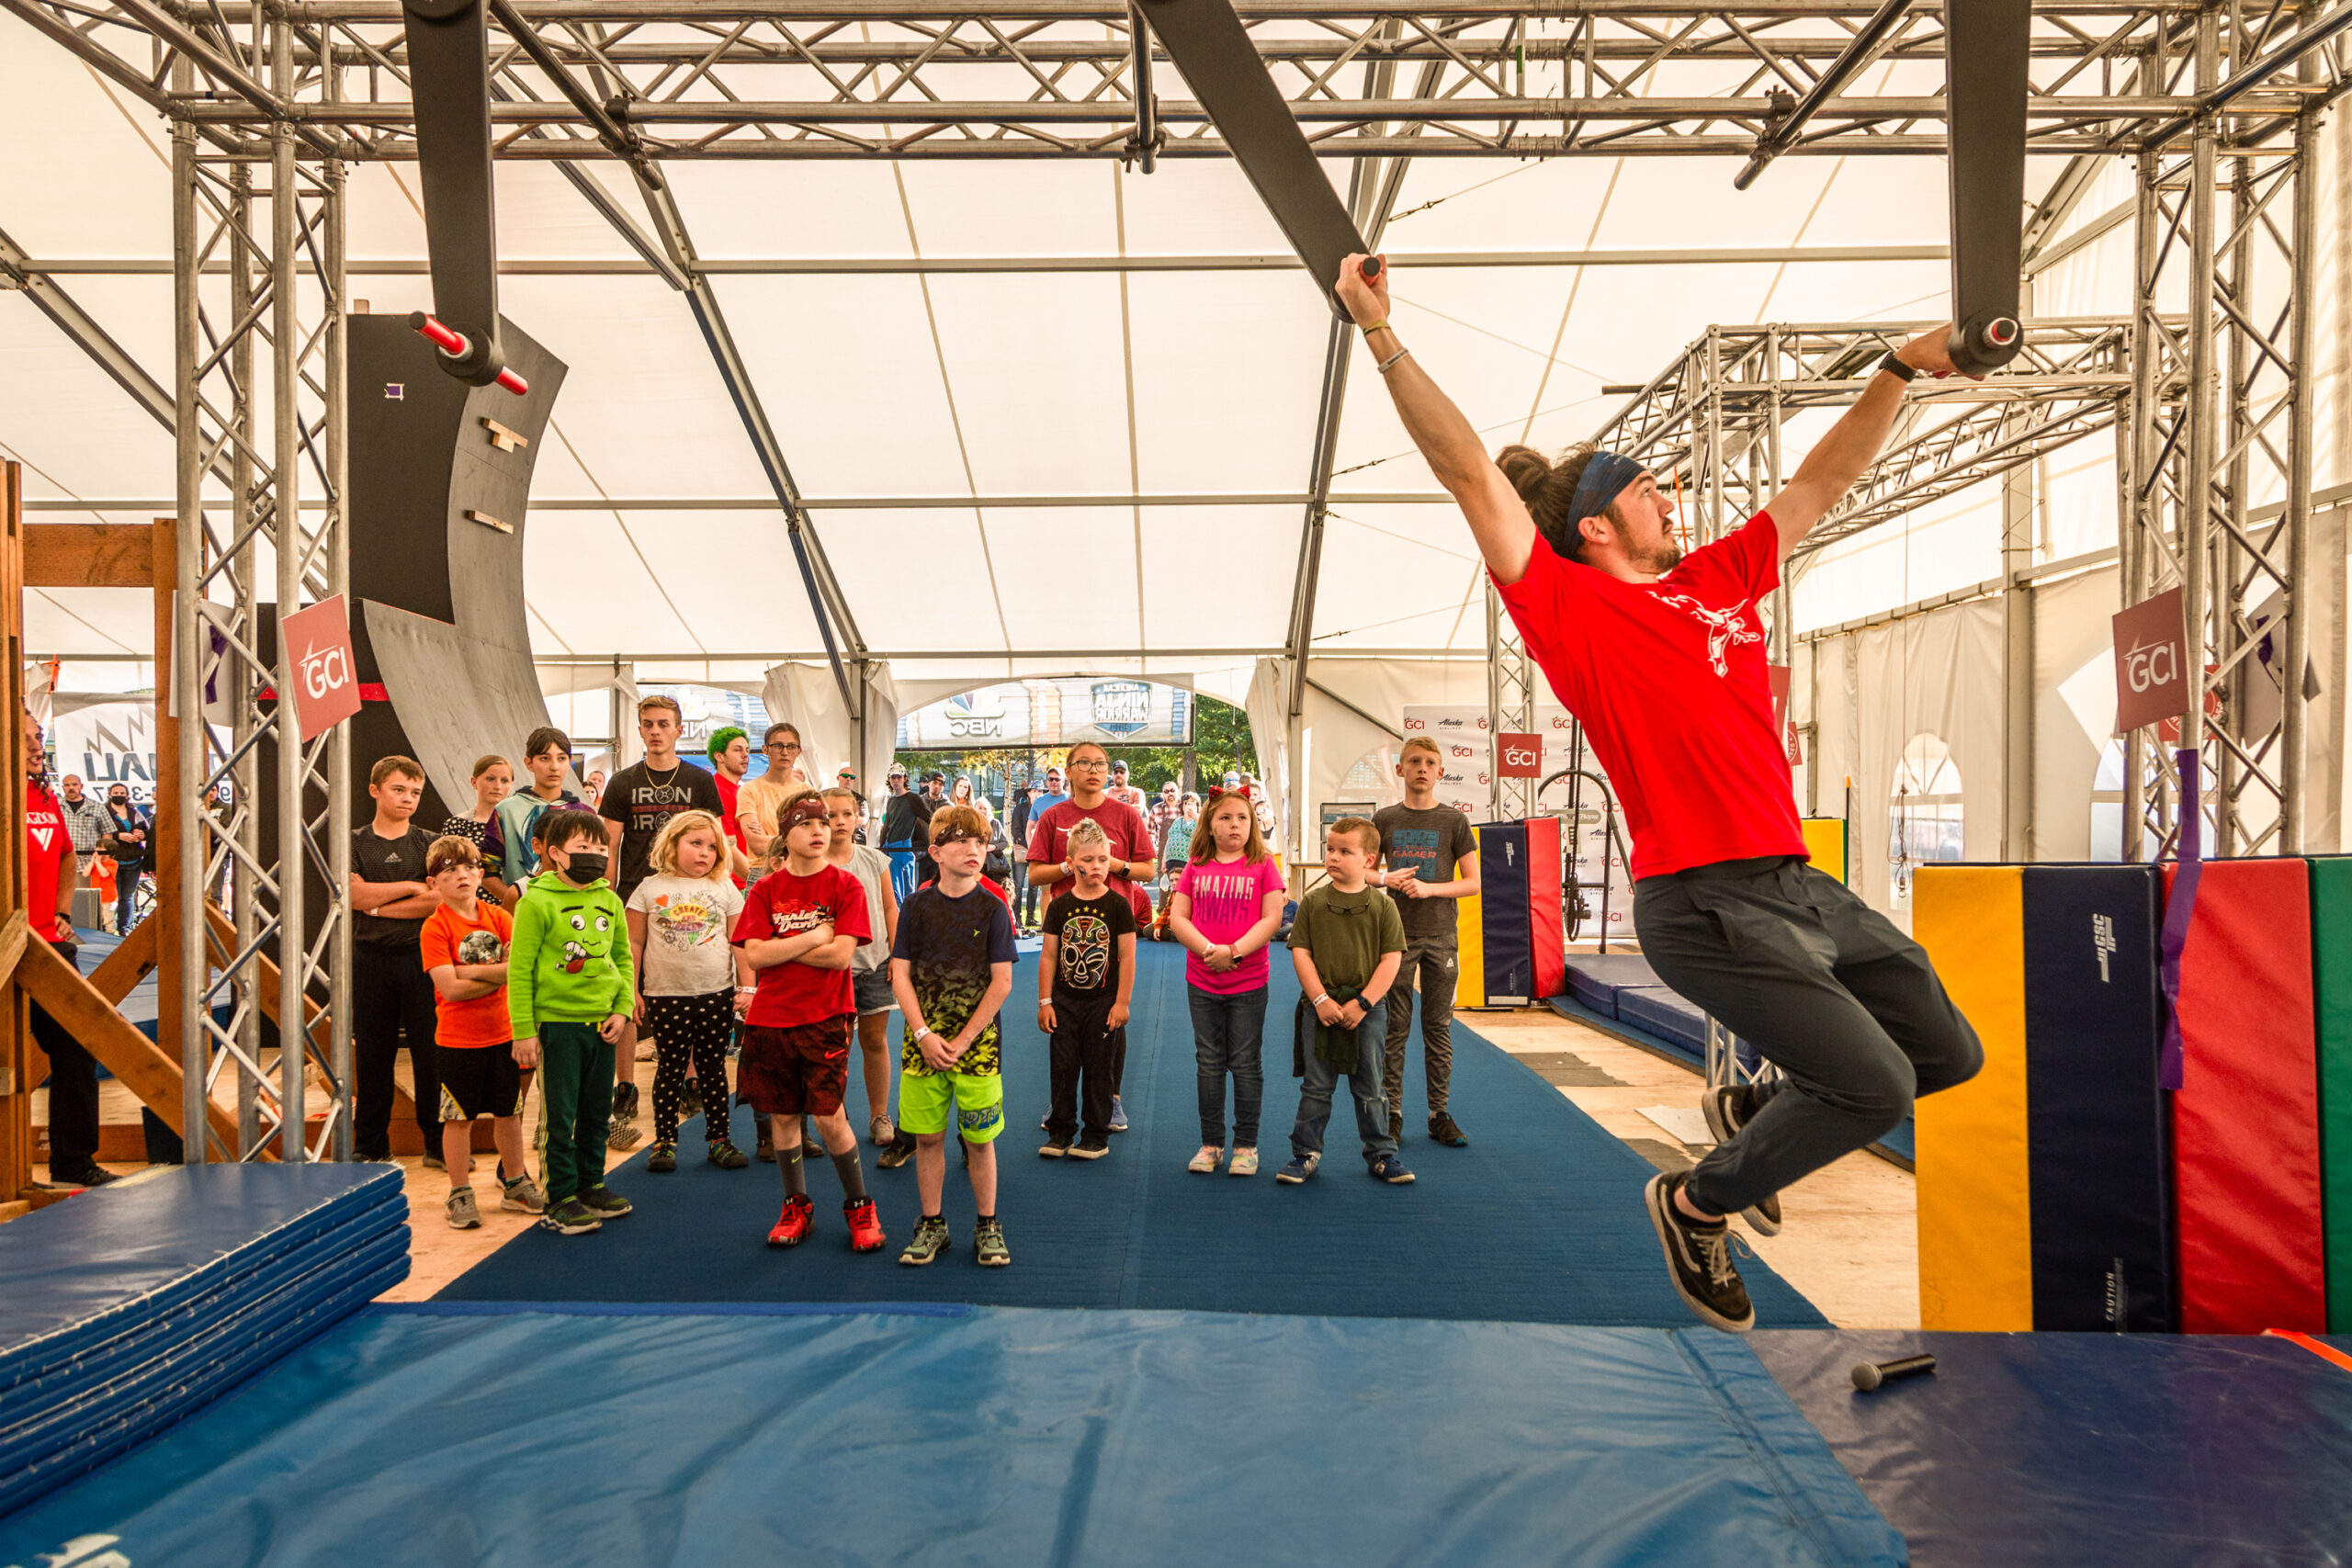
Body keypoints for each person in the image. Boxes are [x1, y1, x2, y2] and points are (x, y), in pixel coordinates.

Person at [1336, 251, 1984, 1332]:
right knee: (1870, 1083)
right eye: (1647, 490)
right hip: (1703, 899)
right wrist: (1379, 331)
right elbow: (1465, 474)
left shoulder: (1718, 578)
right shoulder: (1569, 613)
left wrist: (1899, 371)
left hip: (1795, 882)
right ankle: (1695, 1201)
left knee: (1943, 1052)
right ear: (1594, 526)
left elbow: (1821, 481)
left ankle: (1749, 1110)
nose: (1669, 498)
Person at [729, 792, 885, 1253]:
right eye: (806, 823)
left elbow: (841, 956)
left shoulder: (845, 885)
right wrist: (816, 932)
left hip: (824, 1017)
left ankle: (860, 1205)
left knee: (830, 1117)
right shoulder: (764, 889)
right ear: (785, 833)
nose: (819, 830)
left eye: (823, 822)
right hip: (772, 1018)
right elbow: (753, 954)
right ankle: (796, 1204)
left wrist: (785, 943)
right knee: (782, 1115)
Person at [600, 694, 733, 1144]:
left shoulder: (698, 780)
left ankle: (692, 1081)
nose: (655, 731)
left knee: (691, 987)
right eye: (648, 724)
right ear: (639, 730)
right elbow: (611, 846)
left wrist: (720, 882)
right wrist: (607, 894)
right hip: (636, 895)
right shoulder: (622, 782)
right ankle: (625, 1085)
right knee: (630, 988)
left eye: (664, 724)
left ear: (678, 730)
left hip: (691, 896)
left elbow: (714, 839)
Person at [890, 805, 1016, 1267]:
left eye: (981, 841)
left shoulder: (994, 906)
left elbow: (1001, 982)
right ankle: (932, 1223)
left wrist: (963, 1040)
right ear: (935, 851)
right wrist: (923, 1033)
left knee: (980, 1141)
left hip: (978, 1049)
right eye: (961, 840)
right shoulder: (916, 906)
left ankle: (987, 1223)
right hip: (921, 1047)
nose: (973, 849)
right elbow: (899, 975)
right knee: (926, 1139)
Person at [507, 808, 635, 1235]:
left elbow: (621, 960)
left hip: (602, 1024)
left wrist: (620, 1009)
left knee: (597, 1111)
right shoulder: (536, 901)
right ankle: (559, 1197)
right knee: (559, 1117)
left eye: (601, 848)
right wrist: (524, 1029)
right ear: (557, 854)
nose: (595, 855)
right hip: (556, 1026)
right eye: (584, 847)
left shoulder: (610, 899)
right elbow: (519, 970)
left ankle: (591, 1183)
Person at [1024, 742, 1154, 1133]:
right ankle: (1062, 1101)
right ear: (1070, 770)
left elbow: (1149, 870)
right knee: (1064, 1016)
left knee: (1112, 1013)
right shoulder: (1053, 817)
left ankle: (1110, 1098)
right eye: (1085, 763)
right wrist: (1069, 865)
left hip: (1114, 930)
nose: (1094, 770)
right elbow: (1033, 874)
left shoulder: (1126, 814)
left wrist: (1116, 865)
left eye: (1100, 763)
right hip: (1066, 932)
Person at [418, 835, 544, 1228]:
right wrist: (497, 975)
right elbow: (450, 989)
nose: (462, 875)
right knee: (459, 1119)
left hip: (503, 1034)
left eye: (470, 867)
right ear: (433, 882)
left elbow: (521, 970)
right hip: (458, 1040)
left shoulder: (501, 918)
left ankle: (516, 1181)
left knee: (510, 1113)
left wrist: (469, 970)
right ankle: (459, 1192)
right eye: (449, 869)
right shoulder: (435, 928)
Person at [1279, 817, 1410, 1187]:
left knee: (1370, 1086)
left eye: (1344, 851)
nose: (1333, 857)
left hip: (1367, 1010)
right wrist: (1319, 999)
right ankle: (1305, 1154)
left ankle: (1381, 1154)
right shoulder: (1313, 903)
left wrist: (1364, 1004)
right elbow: (1301, 953)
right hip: (1319, 1009)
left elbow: (1391, 961)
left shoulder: (1384, 908)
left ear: (1369, 860)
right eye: (1330, 849)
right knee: (1316, 1087)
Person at [1168, 789, 1286, 1178]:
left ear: (1252, 825)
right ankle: (1210, 1143)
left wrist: (1234, 951)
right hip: (1202, 981)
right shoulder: (1196, 865)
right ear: (1210, 824)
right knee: (1209, 1062)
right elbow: (1177, 919)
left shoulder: (1264, 865)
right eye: (1225, 818)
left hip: (1249, 982)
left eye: (1242, 818)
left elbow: (1271, 919)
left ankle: (1246, 1145)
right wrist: (1209, 951)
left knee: (1246, 1063)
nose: (1234, 824)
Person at [626, 810, 752, 1174]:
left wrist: (747, 986)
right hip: (664, 995)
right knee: (670, 1067)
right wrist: (632, 990)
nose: (704, 853)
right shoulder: (649, 888)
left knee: (713, 1068)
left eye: (712, 847)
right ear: (672, 844)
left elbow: (738, 942)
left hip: (716, 992)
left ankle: (719, 1139)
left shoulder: (724, 887)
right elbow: (633, 942)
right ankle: (665, 1141)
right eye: (695, 844)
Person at [1374, 737, 1482, 1150]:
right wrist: (1387, 879)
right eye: (1414, 761)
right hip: (1394, 940)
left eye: (1430, 762)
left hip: (1441, 940)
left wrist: (1429, 889)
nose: (1422, 768)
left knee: (1438, 1027)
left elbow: (1472, 883)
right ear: (1400, 770)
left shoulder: (1454, 822)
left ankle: (1439, 1113)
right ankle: (1393, 1113)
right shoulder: (1385, 819)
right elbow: (1360, 870)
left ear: (1440, 772)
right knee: (1394, 1029)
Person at [348, 757, 443, 1165]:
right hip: (371, 958)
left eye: (415, 792)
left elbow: (438, 898)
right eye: (399, 789)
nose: (408, 799)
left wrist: (377, 905)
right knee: (373, 1055)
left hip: (424, 960)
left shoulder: (429, 842)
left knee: (432, 1054)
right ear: (375, 790)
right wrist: (408, 886)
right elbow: (352, 897)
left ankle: (438, 1144)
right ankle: (370, 1144)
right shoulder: (353, 841)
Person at [28, 716, 110, 1188]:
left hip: (50, 945)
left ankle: (73, 1161)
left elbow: (64, 854)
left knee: (77, 1047)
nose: (37, 746)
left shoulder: (44, 796)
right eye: (26, 740)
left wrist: (62, 910)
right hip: (9, 946)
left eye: (38, 738)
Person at [1036, 819, 1136, 1161]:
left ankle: (1096, 1134)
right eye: (1090, 860)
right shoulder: (1060, 905)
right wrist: (1045, 1001)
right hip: (1064, 1002)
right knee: (1062, 1068)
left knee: (1098, 1069)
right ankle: (1061, 1130)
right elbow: (1049, 956)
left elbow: (1127, 957)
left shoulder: (1119, 906)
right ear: (1072, 862)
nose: (1097, 867)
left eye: (1103, 860)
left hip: (1103, 1002)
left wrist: (1122, 1003)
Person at [822, 785, 904, 1162]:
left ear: (859, 817)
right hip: (831, 971)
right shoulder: (814, 862)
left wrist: (897, 955)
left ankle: (879, 1115)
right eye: (830, 815)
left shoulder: (875, 860)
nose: (839, 821)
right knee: (835, 1046)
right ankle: (835, 1116)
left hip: (876, 964)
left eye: (846, 813)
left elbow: (890, 909)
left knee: (875, 1041)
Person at [485, 727, 580, 908]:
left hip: (571, 912)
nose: (554, 766)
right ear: (529, 763)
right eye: (545, 758)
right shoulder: (506, 811)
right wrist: (518, 900)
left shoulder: (582, 814)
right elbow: (487, 873)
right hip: (521, 912)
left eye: (561, 758)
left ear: (569, 762)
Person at [439, 754, 513, 906]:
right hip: (470, 907)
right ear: (474, 782)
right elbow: (447, 871)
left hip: (511, 907)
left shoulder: (517, 825)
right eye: (490, 779)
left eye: (504, 780)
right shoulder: (457, 824)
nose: (498, 786)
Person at [736, 722, 809, 875]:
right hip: (761, 873)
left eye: (791, 746)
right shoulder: (749, 791)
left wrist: (771, 839)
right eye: (777, 746)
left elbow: (815, 841)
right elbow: (757, 845)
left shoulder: (808, 793)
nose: (784, 752)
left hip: (800, 872)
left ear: (798, 751)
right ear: (765, 749)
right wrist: (799, 838)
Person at [877, 767, 939, 904]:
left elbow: (930, 817)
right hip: (890, 848)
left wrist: (943, 833)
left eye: (899, 777)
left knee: (905, 891)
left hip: (903, 848)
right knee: (892, 891)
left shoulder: (912, 799)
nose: (896, 780)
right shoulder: (892, 801)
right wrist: (881, 848)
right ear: (889, 779)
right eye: (893, 777)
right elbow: (887, 825)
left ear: (905, 778)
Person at [1017, 766, 1067, 928]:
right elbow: (1030, 827)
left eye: (1057, 779)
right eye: (1050, 779)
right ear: (1047, 781)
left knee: (1066, 890)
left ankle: (1065, 924)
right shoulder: (1039, 802)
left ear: (1063, 781)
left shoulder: (1071, 799)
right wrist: (1033, 848)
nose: (1053, 782)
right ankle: (1046, 926)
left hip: (1067, 853)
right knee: (1045, 891)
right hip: (1046, 854)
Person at [100, 784, 149, 935]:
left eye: (122, 792)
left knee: (127, 897)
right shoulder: (104, 812)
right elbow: (99, 831)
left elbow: (147, 830)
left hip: (133, 860)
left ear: (127, 795)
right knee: (113, 897)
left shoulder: (134, 812)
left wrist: (142, 835)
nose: (119, 795)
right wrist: (118, 836)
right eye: (116, 792)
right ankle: (108, 927)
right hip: (112, 861)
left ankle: (124, 928)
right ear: (110, 794)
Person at [707, 727, 752, 877]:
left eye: (747, 750)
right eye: (738, 750)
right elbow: (726, 845)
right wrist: (755, 881)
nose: (745, 755)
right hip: (735, 883)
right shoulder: (718, 791)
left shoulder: (740, 791)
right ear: (719, 756)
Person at [58, 773, 106, 878]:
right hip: (60, 863)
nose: (71, 788)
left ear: (81, 786)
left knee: (87, 894)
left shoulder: (97, 807)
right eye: (67, 785)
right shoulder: (54, 806)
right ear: (62, 788)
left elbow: (107, 833)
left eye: (75, 784)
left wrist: (102, 858)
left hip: (89, 865)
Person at [833, 765, 868, 844]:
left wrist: (841, 825)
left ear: (854, 780)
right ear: (838, 778)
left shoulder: (860, 799)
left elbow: (863, 820)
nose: (848, 779)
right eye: (845, 776)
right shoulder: (831, 797)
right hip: (836, 840)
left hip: (857, 840)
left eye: (852, 777)